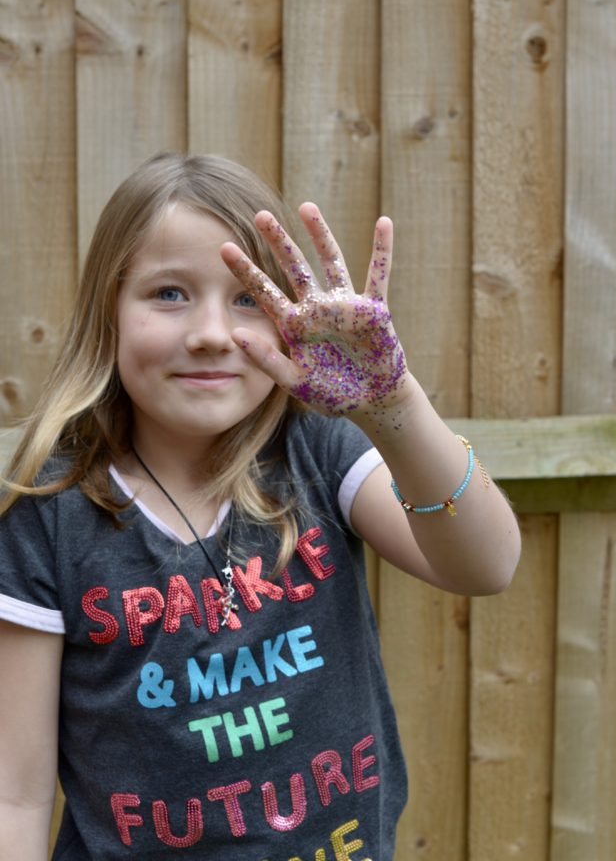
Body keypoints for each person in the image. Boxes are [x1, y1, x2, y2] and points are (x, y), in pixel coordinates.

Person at [0, 152, 520, 861]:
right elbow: (16, 795)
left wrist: (394, 405)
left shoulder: (317, 447)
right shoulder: (47, 509)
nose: (213, 332)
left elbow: (486, 565)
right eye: (169, 294)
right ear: (109, 310)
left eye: (247, 298)